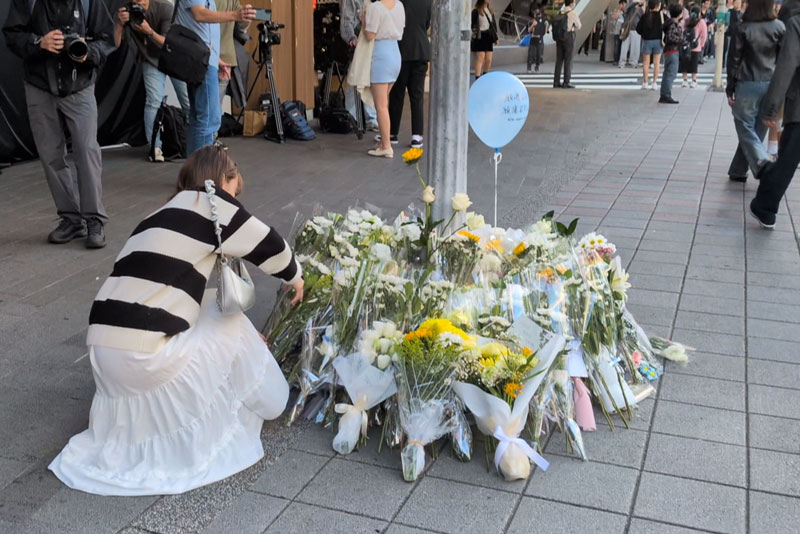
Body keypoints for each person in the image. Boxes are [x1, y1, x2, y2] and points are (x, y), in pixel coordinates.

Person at [48, 146, 304, 495]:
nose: (236, 200)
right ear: (221, 179)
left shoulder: (156, 215)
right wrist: (296, 277)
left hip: (105, 360)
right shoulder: (211, 204)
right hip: (142, 360)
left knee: (211, 309)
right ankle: (272, 400)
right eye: (235, 189)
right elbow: (270, 245)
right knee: (231, 320)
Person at [4, 0, 115, 248]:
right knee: (50, 154)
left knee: (87, 151)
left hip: (80, 86)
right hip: (39, 85)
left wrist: (89, 52)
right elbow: (11, 34)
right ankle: (71, 219)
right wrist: (38, 42)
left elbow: (107, 38)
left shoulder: (88, 2)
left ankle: (94, 219)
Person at [115, 0, 191, 163]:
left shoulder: (164, 8)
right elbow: (116, 44)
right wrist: (119, 25)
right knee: (153, 101)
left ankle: (198, 140)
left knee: (187, 100)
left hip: (174, 58)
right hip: (150, 60)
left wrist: (148, 31)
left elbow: (167, 42)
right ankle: (155, 147)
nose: (139, 3)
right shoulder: (128, 12)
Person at [175, 0, 255, 155]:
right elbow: (199, 14)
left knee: (200, 118)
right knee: (208, 119)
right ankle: (201, 173)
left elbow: (203, 31)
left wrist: (216, 59)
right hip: (202, 63)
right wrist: (235, 15)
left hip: (205, 59)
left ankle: (194, 173)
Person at [726, 0, 784, 184]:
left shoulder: (743, 27)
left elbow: (734, 59)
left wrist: (730, 86)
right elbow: (784, 59)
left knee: (744, 124)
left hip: (748, 81)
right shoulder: (779, 27)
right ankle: (738, 169)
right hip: (771, 82)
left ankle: (762, 163)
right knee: (758, 128)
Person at [750, 16, 800, 228]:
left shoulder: (797, 23)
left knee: (788, 159)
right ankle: (765, 205)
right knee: (788, 158)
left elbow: (786, 66)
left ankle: (765, 206)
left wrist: (771, 108)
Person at [363, 0, 406, 158]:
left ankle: (386, 145)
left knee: (380, 105)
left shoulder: (375, 8)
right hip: (395, 52)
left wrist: (363, 21)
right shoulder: (399, 5)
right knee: (383, 103)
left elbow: (369, 34)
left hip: (380, 54)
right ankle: (384, 142)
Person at [387, 0, 429, 149]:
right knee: (417, 96)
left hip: (401, 50)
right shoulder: (427, 2)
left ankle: (392, 133)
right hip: (421, 50)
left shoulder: (398, 2)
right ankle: (417, 136)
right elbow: (427, 23)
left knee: (396, 94)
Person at [341, 0, 379, 131]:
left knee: (370, 79)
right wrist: (351, 38)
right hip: (359, 41)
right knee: (355, 78)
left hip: (373, 40)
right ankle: (352, 117)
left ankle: (370, 117)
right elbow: (347, 20)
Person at [216, 0, 249, 109]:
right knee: (214, 110)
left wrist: (244, 16)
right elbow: (241, 27)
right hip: (225, 58)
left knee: (202, 111)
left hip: (208, 57)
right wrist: (246, 16)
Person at [553, 0, 582, 89]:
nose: (575, 3)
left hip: (559, 38)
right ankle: (566, 82)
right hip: (568, 37)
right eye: (574, 2)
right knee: (568, 60)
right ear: (571, 3)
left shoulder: (560, 12)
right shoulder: (572, 13)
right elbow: (579, 26)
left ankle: (556, 82)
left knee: (559, 60)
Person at [637, 0, 664, 90]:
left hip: (647, 41)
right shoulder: (662, 16)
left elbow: (638, 29)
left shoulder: (645, 16)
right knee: (657, 63)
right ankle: (654, 83)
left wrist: (645, 34)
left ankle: (645, 82)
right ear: (657, 6)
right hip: (658, 41)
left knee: (646, 63)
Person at [660, 3, 684, 104]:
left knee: (667, 73)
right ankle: (666, 95)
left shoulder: (669, 23)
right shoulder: (674, 24)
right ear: (679, 14)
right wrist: (681, 39)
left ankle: (664, 94)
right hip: (673, 50)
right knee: (670, 74)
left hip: (668, 51)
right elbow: (670, 37)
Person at [679, 6, 708, 87]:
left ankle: (685, 80)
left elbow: (682, 31)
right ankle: (693, 80)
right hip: (696, 46)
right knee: (694, 64)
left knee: (685, 63)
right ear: (699, 13)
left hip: (686, 45)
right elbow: (704, 34)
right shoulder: (701, 22)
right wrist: (702, 45)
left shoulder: (687, 21)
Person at [471, 0, 499, 79]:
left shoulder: (490, 10)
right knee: (481, 58)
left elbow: (493, 26)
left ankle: (485, 76)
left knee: (489, 59)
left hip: (488, 36)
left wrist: (495, 38)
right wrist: (475, 34)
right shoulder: (476, 11)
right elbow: (473, 25)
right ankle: (478, 78)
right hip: (480, 36)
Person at [619, 1, 644, 67]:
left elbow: (642, 17)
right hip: (627, 29)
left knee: (635, 47)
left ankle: (634, 62)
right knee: (624, 46)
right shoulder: (629, 5)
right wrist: (635, 3)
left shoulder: (640, 9)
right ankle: (622, 62)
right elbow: (626, 9)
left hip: (636, 29)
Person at [527, 2, 548, 72]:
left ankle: (537, 66)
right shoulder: (532, 21)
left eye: (539, 15)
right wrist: (533, 25)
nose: (537, 16)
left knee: (539, 54)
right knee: (531, 54)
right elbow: (528, 30)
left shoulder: (543, 21)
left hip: (539, 39)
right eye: (536, 15)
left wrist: (546, 26)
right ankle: (529, 67)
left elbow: (545, 31)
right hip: (533, 39)